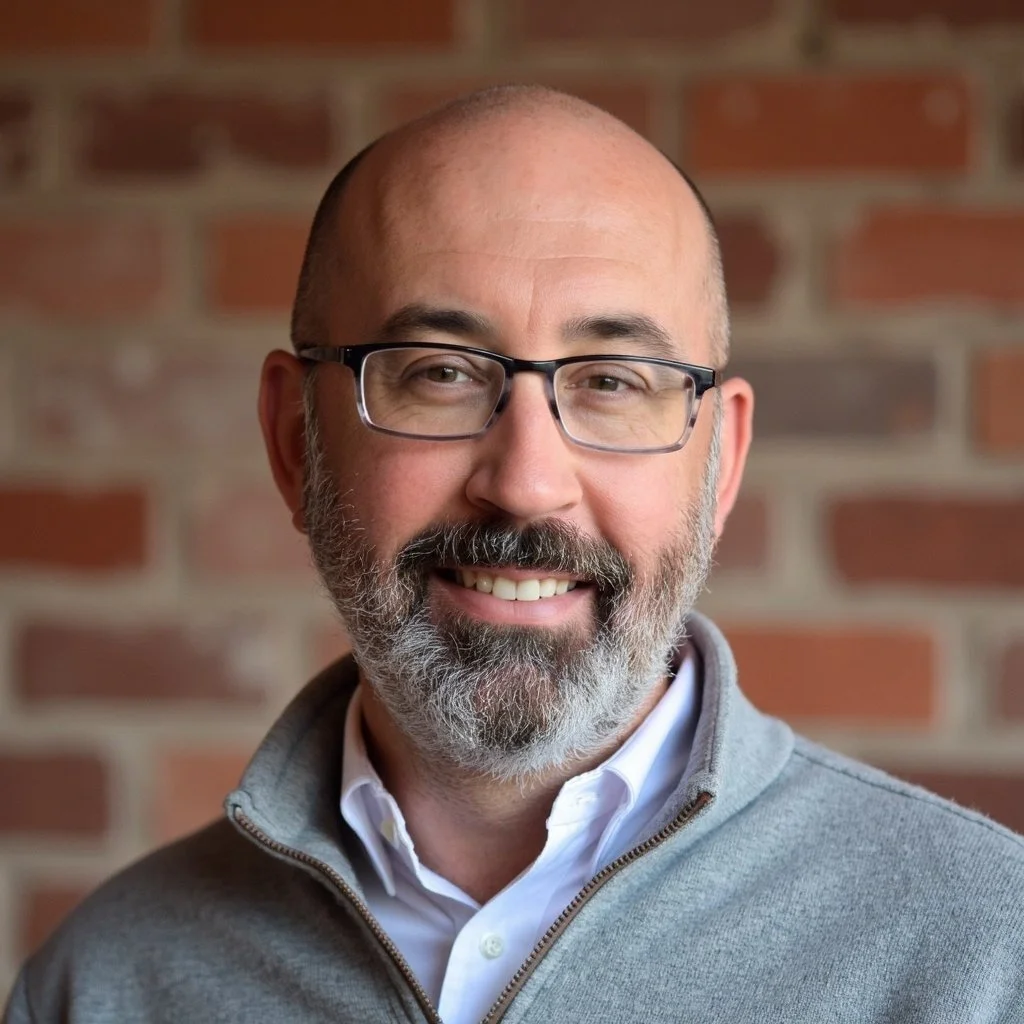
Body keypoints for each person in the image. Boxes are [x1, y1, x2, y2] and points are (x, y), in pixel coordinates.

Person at [5, 85, 1023, 1024]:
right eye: (439, 372)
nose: (527, 480)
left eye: (614, 381)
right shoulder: (104, 983)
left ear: (719, 465)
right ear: (291, 442)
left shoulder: (986, 958)